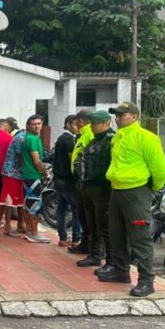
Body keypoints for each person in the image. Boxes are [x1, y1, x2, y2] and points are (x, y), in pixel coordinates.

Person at [99, 102, 165, 297]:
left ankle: (146, 280)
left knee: (140, 238)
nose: (118, 118)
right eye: (116, 115)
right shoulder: (118, 138)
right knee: (116, 234)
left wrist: (152, 188)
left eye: (122, 115)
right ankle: (121, 271)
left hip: (136, 191)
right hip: (117, 190)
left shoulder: (146, 137)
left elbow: (159, 168)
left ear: (134, 117)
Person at [74, 110, 115, 270]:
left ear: (106, 123)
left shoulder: (111, 140)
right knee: (92, 225)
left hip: (102, 189)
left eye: (95, 124)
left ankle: (110, 261)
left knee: (105, 227)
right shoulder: (93, 141)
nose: (92, 127)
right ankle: (94, 255)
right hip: (88, 187)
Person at [52, 115, 82, 247]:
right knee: (76, 209)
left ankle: (63, 238)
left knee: (62, 209)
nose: (78, 128)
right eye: (76, 125)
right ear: (68, 124)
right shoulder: (68, 139)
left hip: (59, 179)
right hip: (68, 180)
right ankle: (76, 239)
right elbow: (73, 159)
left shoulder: (60, 138)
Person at [68, 109, 93, 254]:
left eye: (76, 120)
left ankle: (92, 248)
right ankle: (85, 243)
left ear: (81, 121)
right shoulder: (82, 135)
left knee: (88, 216)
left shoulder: (89, 134)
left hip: (86, 181)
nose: (75, 123)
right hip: (80, 180)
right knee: (83, 215)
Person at [21, 115, 50, 243]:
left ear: (42, 124)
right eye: (33, 124)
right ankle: (34, 233)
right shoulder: (32, 139)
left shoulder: (29, 138)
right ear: (28, 126)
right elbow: (37, 160)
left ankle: (29, 230)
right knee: (34, 206)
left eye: (38, 123)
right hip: (33, 176)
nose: (36, 126)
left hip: (27, 176)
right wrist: (45, 174)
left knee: (27, 205)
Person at [0, 124, 27, 237]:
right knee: (9, 199)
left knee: (20, 199)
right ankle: (7, 226)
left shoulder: (26, 137)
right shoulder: (21, 138)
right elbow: (21, 157)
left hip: (19, 173)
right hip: (11, 172)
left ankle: (21, 224)